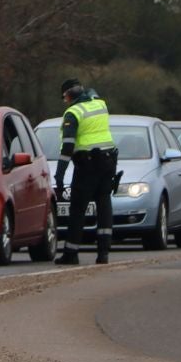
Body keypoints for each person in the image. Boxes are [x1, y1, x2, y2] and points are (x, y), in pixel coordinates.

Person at [53, 77, 116, 265]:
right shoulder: (100, 104)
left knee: (78, 209)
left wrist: (60, 174)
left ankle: (71, 253)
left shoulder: (73, 113)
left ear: (70, 95)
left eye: (64, 97)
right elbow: (94, 92)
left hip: (87, 164)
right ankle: (103, 253)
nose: (64, 101)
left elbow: (68, 147)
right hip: (108, 161)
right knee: (104, 205)